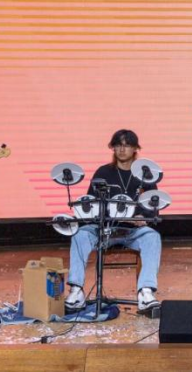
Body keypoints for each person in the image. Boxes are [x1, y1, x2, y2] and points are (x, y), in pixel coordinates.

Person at [64, 129, 162, 313]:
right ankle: (76, 291)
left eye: (127, 145)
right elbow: (91, 203)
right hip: (104, 230)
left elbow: (153, 203)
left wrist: (142, 217)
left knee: (152, 237)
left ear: (135, 148)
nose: (122, 149)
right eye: (118, 145)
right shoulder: (104, 172)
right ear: (113, 148)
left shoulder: (145, 174)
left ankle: (146, 292)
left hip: (132, 231)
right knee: (79, 235)